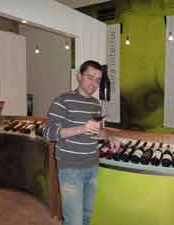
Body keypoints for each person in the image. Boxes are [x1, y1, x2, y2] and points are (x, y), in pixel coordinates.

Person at [43, 60, 114, 225]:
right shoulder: (63, 100)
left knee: (87, 216)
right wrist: (82, 128)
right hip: (71, 169)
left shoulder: (96, 104)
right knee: (74, 221)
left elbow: (97, 133)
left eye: (98, 80)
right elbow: (47, 133)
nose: (94, 83)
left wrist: (109, 136)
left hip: (92, 167)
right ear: (79, 76)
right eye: (90, 77)